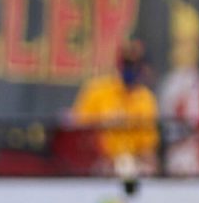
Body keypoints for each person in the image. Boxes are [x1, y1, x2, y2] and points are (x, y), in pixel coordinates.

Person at [68, 37, 159, 177]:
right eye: (127, 64)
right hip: (97, 164)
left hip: (131, 166)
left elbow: (147, 147)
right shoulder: (97, 90)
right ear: (119, 64)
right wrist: (104, 124)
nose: (131, 70)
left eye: (136, 65)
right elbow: (78, 133)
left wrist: (150, 168)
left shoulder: (146, 98)